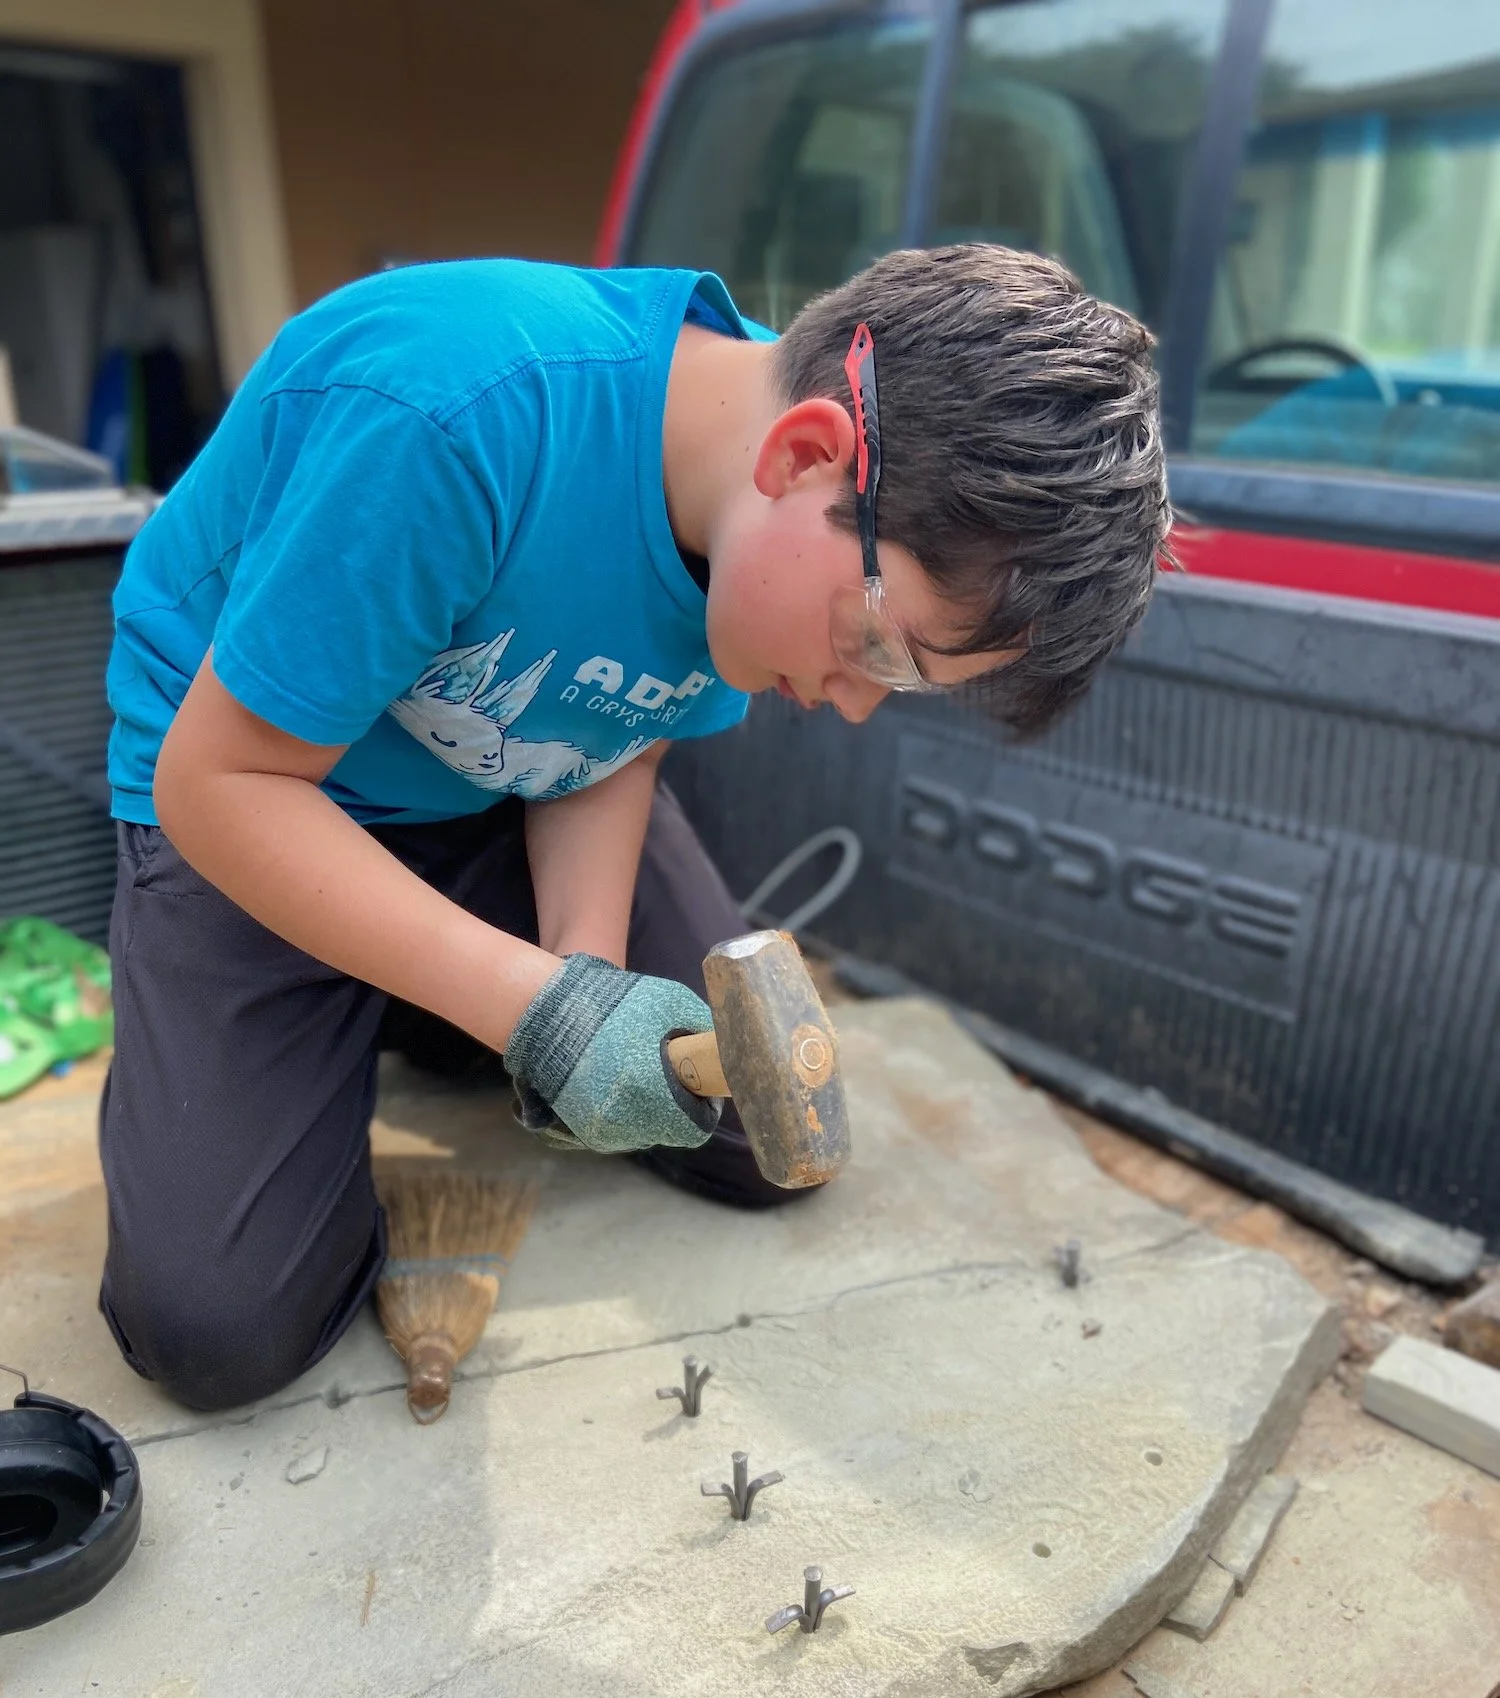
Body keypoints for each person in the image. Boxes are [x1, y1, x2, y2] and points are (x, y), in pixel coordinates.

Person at [99, 243, 1169, 1411]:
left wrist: (582, 972)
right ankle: (378, 1007)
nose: (857, 703)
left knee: (751, 1139)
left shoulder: (758, 529)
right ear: (806, 455)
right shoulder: (454, 410)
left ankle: (427, 1003)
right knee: (220, 1330)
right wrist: (529, 1009)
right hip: (262, 791)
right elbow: (223, 784)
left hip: (494, 783)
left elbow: (613, 731)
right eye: (879, 646)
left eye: (911, 683)